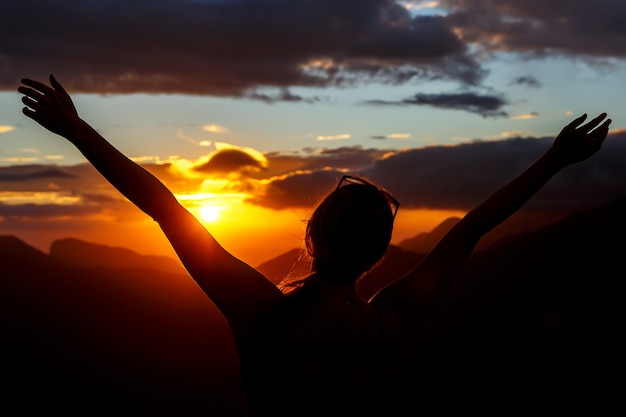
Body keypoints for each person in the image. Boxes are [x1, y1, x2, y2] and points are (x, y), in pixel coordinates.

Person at [18, 75, 612, 416]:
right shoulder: (392, 323)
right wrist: (554, 160)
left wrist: (75, 128)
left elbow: (165, 209)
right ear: (379, 253)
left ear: (310, 235)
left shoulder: (261, 312)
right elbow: (472, 228)